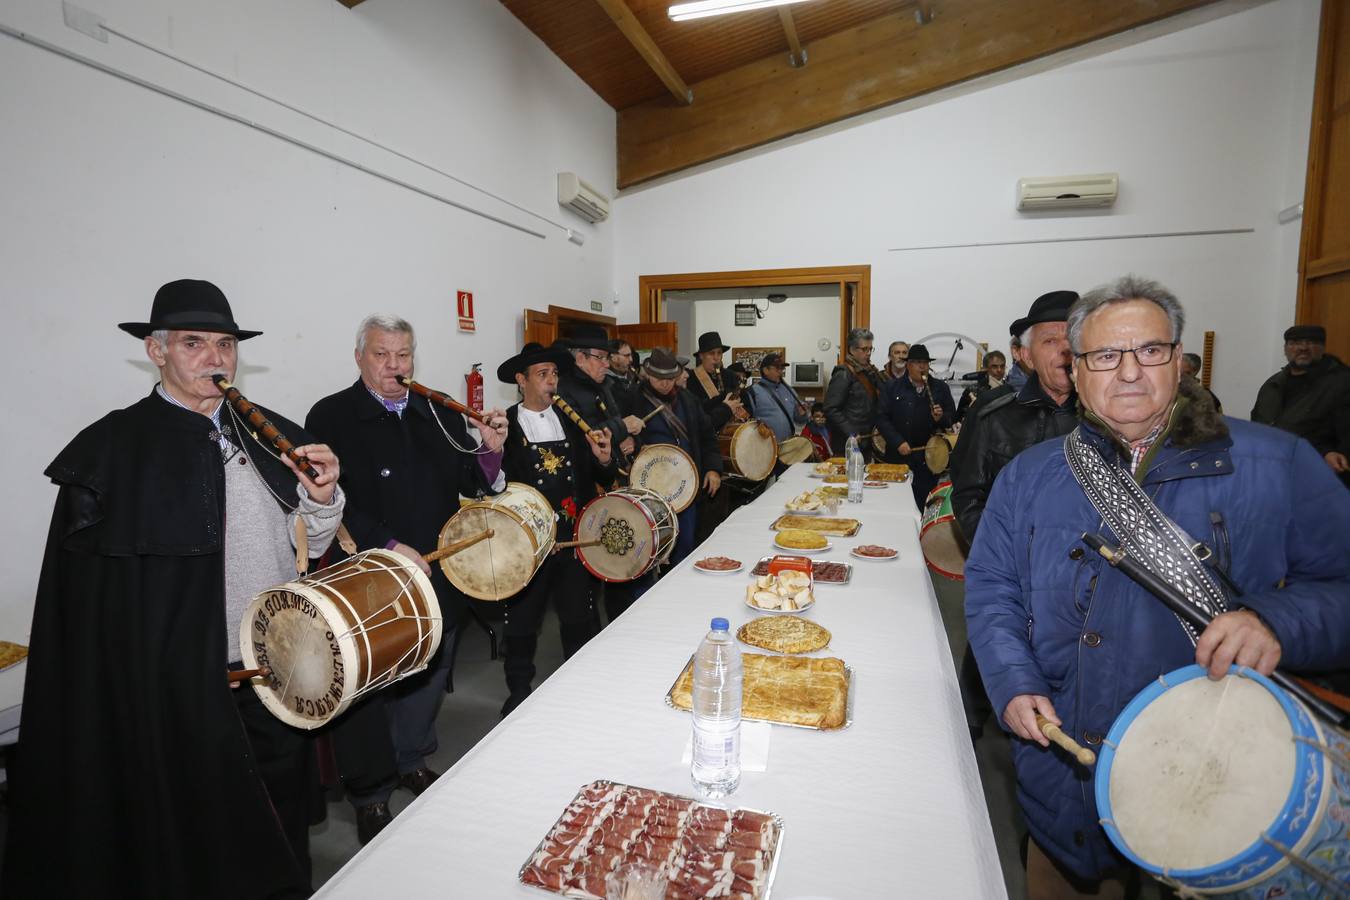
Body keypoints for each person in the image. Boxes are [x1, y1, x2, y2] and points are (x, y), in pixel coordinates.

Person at [965, 275, 1350, 898]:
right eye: (1106, 356)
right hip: (1063, 777)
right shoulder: (1030, 476)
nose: (1129, 372)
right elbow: (991, 590)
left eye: (1150, 350)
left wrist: (1276, 620)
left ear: (1179, 359)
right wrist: (1012, 682)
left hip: (1223, 795)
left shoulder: (1274, 463)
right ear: (1078, 368)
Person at [4, 280, 345, 898]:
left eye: (224, 344)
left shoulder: (273, 435)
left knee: (277, 821)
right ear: (156, 352)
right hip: (174, 685)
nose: (215, 358)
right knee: (195, 830)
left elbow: (311, 548)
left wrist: (322, 501)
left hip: (272, 670)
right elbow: (89, 601)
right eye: (194, 343)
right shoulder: (114, 448)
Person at [305, 314, 508, 841]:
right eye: (382, 355)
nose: (395, 366)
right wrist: (389, 545)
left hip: (437, 569)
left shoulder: (435, 408)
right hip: (368, 571)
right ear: (359, 357)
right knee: (370, 683)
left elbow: (472, 482)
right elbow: (327, 502)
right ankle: (370, 793)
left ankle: (412, 757)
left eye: (404, 355)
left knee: (430, 666)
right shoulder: (331, 415)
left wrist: (488, 449)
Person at [948, 290, 1079, 742]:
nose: (1064, 349)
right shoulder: (993, 415)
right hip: (1011, 571)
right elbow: (966, 492)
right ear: (1023, 355)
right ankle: (969, 724)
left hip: (1089, 577)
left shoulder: (1110, 415)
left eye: (1073, 337)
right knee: (993, 648)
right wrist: (998, 558)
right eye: (1049, 341)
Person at [496, 342, 617, 716]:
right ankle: (518, 691)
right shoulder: (505, 426)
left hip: (571, 538)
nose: (552, 382)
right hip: (527, 543)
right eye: (542, 375)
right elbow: (492, 485)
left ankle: (578, 684)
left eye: (555, 374)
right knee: (522, 621)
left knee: (578, 614)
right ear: (521, 380)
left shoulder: (571, 419)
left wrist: (605, 458)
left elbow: (598, 474)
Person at [631, 347, 722, 565]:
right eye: (659, 378)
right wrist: (633, 444)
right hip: (650, 490)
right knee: (650, 553)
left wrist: (713, 468)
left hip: (686, 487)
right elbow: (623, 444)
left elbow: (707, 435)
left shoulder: (689, 400)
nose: (665, 383)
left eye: (670, 378)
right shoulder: (632, 400)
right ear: (648, 375)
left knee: (686, 546)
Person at [1251, 324, 1349, 486]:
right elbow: (1257, 425)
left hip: (1320, 480)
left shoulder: (1342, 383)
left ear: (1322, 347)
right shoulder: (1272, 384)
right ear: (1286, 348)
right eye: (1295, 342)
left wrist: (1329, 453)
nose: (1303, 348)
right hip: (1272, 476)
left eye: (1311, 342)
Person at [558, 324, 644, 474]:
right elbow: (577, 439)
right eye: (600, 357)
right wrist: (623, 426)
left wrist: (630, 440)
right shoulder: (563, 391)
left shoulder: (604, 385)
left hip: (611, 473)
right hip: (585, 477)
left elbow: (613, 421)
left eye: (607, 357)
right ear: (580, 358)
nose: (606, 364)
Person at [876, 343, 956, 504]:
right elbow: (881, 418)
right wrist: (898, 442)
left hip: (928, 457)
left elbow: (952, 417)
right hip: (898, 455)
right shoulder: (892, 387)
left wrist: (940, 418)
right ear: (908, 365)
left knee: (923, 502)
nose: (922, 367)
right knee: (895, 501)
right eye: (917, 362)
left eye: (925, 363)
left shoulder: (940, 388)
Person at [824, 327, 883, 459]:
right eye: (864, 349)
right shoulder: (843, 373)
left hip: (865, 442)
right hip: (848, 443)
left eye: (870, 349)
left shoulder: (868, 372)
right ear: (852, 349)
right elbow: (830, 408)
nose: (868, 353)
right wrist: (851, 432)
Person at [748, 352, 808, 443]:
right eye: (777, 368)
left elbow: (800, 421)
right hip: (764, 448)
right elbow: (747, 424)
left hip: (788, 446)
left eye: (782, 368)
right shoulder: (753, 392)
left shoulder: (790, 390)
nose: (780, 371)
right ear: (765, 370)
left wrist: (802, 414)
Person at [955, 350, 1008, 422]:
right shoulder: (973, 390)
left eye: (1002, 366)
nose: (999, 370)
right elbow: (959, 417)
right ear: (986, 368)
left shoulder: (1010, 389)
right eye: (994, 367)